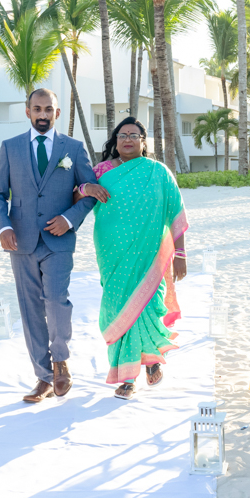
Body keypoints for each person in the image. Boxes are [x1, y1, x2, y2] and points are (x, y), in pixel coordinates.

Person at [0, 88, 106, 403]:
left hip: (59, 240)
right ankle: (43, 377)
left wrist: (69, 219)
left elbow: (90, 193)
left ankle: (61, 362)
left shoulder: (74, 149)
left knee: (56, 301)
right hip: (21, 240)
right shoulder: (10, 147)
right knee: (30, 309)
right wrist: (4, 226)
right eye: (37, 109)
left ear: (57, 113)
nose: (43, 115)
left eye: (48, 109)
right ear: (28, 111)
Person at [88, 117, 186, 399]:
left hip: (149, 256)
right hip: (112, 253)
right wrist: (85, 188)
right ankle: (128, 371)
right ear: (115, 140)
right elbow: (76, 196)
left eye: (134, 135)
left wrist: (180, 254)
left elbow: (176, 212)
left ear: (144, 142)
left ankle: (140, 368)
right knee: (116, 308)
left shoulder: (159, 172)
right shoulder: (101, 171)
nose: (127, 140)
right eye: (122, 135)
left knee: (148, 305)